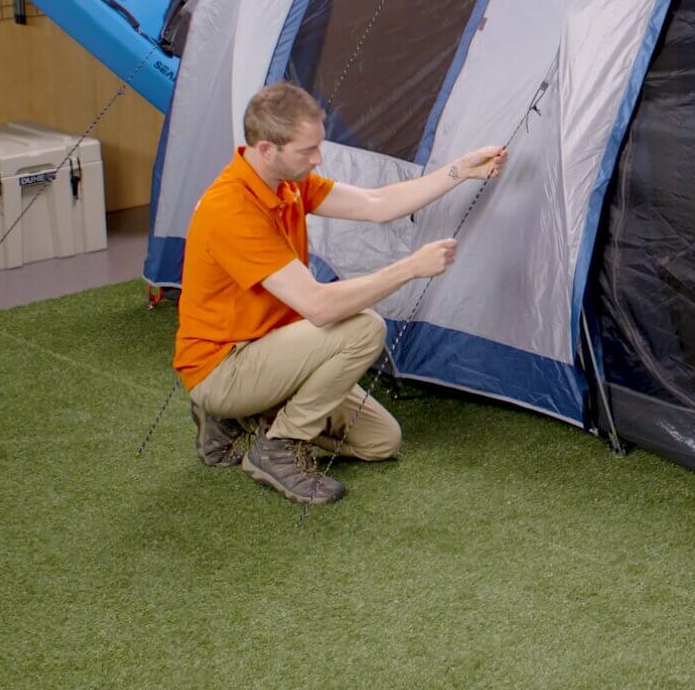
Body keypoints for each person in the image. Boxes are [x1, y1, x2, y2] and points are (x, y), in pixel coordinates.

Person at [174, 82, 506, 504]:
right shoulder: (232, 210)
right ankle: (275, 448)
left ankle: (241, 417)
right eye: (306, 151)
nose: (317, 159)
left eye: (318, 146)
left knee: (381, 442)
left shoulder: (287, 183)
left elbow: (377, 203)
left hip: (275, 352)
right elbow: (318, 306)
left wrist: (460, 169)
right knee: (365, 328)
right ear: (265, 150)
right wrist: (411, 269)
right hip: (225, 366)